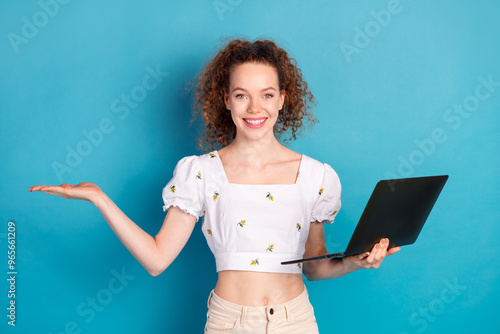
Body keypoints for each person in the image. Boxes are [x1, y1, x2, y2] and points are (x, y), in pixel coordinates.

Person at [29, 37, 401, 333]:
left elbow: (314, 266)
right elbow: (157, 260)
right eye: (242, 95)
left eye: (267, 95)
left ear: (283, 99)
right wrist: (99, 198)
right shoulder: (200, 173)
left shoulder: (317, 176)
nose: (255, 108)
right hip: (228, 323)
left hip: (296, 322)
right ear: (226, 100)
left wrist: (357, 262)